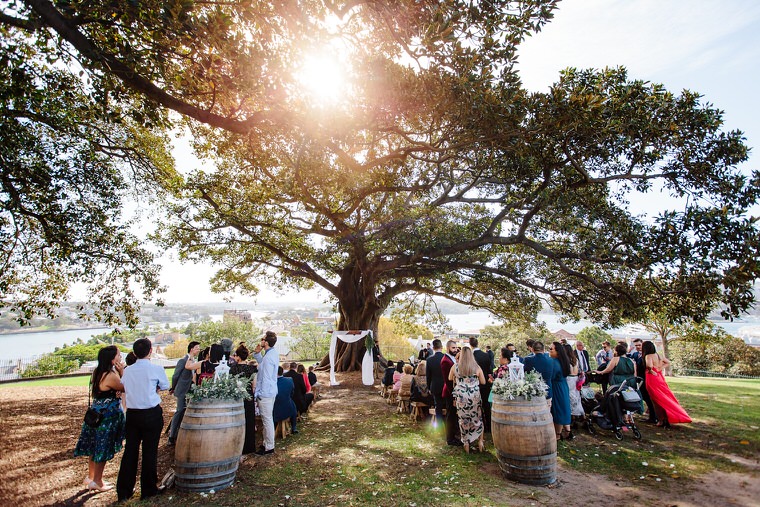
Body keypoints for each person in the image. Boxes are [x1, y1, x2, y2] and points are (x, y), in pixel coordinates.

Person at [116, 338, 169, 501]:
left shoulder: (128, 371)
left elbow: (124, 386)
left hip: (132, 414)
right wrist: (154, 388)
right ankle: (148, 489)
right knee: (149, 451)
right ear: (150, 351)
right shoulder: (156, 369)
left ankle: (124, 491)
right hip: (151, 413)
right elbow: (165, 386)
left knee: (130, 451)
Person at [74, 345, 125, 493]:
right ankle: (98, 481)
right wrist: (122, 373)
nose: (120, 357)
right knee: (103, 448)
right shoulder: (110, 375)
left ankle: (91, 477)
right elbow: (124, 387)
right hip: (107, 418)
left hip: (95, 415)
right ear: (111, 358)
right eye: (118, 355)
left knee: (94, 447)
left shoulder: (97, 372)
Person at [642, 341, 691, 427]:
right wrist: (660, 368)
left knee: (656, 400)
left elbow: (649, 366)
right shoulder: (658, 355)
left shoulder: (648, 356)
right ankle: (666, 418)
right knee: (664, 397)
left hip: (652, 378)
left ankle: (661, 420)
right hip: (659, 377)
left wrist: (651, 370)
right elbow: (668, 362)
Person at [449, 346, 486, 453]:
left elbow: (450, 378)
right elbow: (483, 382)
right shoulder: (476, 367)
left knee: (463, 419)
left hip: (461, 397)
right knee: (477, 418)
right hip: (474, 396)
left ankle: (466, 443)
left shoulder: (455, 367)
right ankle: (480, 442)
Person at [167, 341, 201, 445]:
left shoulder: (194, 361)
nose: (198, 349)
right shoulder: (183, 360)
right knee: (179, 410)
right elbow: (175, 376)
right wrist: (173, 387)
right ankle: (171, 436)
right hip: (182, 390)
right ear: (191, 349)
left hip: (190, 390)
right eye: (197, 348)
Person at [253, 331, 279, 455]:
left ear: (266, 342)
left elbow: (265, 377)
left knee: (267, 420)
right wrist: (257, 354)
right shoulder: (270, 354)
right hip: (269, 392)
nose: (261, 341)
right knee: (266, 419)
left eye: (263, 339)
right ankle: (266, 444)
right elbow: (261, 366)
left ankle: (269, 446)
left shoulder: (269, 357)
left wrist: (260, 393)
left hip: (266, 393)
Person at [229, 344, 258, 454]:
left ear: (238, 357)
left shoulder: (233, 368)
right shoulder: (252, 368)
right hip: (248, 395)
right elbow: (254, 385)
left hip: (237, 396)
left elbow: (231, 383)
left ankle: (236, 445)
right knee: (249, 420)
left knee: (237, 420)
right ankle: (249, 446)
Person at [548, 341, 572, 440]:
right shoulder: (564, 361)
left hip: (556, 387)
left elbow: (551, 376)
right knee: (563, 407)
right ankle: (566, 431)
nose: (549, 351)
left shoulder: (554, 362)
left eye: (551, 349)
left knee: (557, 410)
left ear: (557, 352)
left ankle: (557, 435)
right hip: (563, 386)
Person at [441, 340, 462, 446]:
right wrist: (454, 396)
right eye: (453, 348)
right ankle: (450, 438)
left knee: (453, 415)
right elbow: (448, 381)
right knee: (450, 416)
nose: (455, 349)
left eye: (456, 347)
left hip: (454, 391)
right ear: (448, 348)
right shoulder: (445, 361)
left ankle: (454, 435)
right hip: (450, 392)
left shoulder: (453, 358)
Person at [470, 337, 493, 433]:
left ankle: (478, 426)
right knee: (486, 405)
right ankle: (489, 426)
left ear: (470, 345)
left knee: (475, 406)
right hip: (486, 384)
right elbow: (489, 369)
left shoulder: (471, 356)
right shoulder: (486, 355)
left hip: (475, 384)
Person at [630, 338, 656, 423]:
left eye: (639, 345)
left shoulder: (648, 355)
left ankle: (653, 416)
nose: (637, 347)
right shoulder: (635, 354)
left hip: (647, 379)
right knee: (644, 396)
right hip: (639, 379)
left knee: (648, 397)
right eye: (636, 345)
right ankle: (652, 415)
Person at [273, 366, 299, 435]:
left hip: (275, 409)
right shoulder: (289, 380)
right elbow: (292, 393)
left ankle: (273, 427)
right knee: (293, 405)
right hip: (288, 407)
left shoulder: (272, 383)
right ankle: (294, 427)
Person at [425, 340, 446, 425]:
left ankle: (440, 424)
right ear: (442, 347)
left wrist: (429, 387)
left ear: (433, 348)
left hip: (435, 385)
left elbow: (428, 376)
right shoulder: (446, 358)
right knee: (447, 405)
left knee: (438, 406)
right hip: (446, 386)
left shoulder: (429, 360)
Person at [563, 344, 584, 421]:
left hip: (569, 378)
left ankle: (572, 414)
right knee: (576, 395)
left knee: (570, 396)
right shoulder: (575, 359)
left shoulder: (566, 360)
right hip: (575, 378)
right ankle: (578, 413)